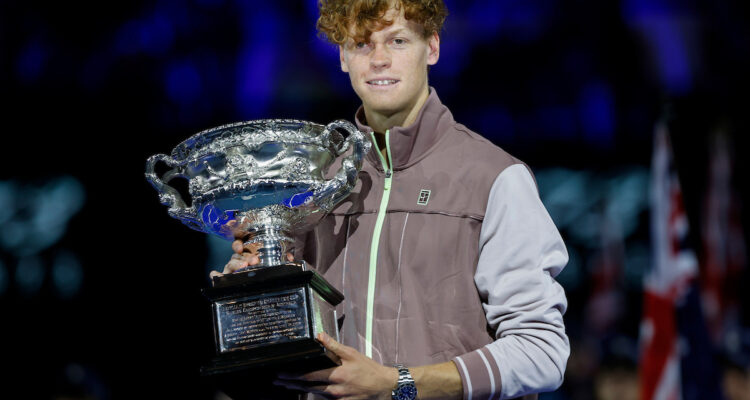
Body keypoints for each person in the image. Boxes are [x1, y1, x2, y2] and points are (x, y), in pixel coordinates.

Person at [213, 0, 570, 398]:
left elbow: (542, 353)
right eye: (362, 45)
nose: (379, 59)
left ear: (432, 47)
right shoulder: (314, 185)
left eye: (397, 41)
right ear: (343, 57)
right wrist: (255, 304)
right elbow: (289, 362)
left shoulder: (495, 177)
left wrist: (397, 385)